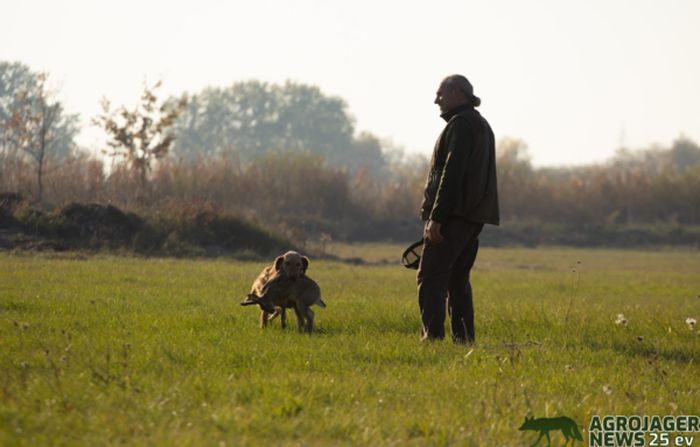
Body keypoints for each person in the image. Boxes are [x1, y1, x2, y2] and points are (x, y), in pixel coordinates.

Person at [417, 74, 499, 343]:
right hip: (473, 216)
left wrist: (436, 218)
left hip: (454, 216)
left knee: (430, 276)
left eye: (440, 94)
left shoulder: (460, 125)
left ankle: (433, 338)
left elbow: (451, 175)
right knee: (457, 279)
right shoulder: (480, 124)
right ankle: (464, 340)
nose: (435, 100)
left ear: (457, 93)